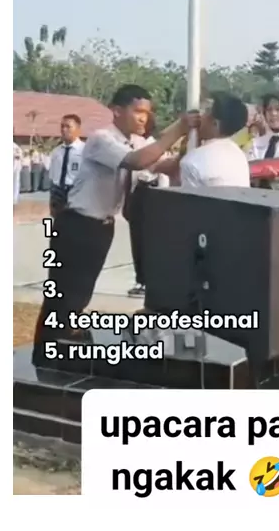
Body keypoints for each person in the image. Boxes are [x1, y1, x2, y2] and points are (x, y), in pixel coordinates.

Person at [33, 84, 199, 356]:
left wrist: (186, 147)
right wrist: (178, 129)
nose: (144, 118)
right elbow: (136, 161)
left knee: (80, 295)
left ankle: (64, 348)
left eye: (147, 112)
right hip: (78, 224)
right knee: (64, 296)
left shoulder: (137, 142)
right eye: (138, 111)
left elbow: (163, 164)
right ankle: (46, 353)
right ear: (117, 110)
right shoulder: (101, 139)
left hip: (102, 227)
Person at [125, 111, 170, 299]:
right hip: (136, 192)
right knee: (136, 240)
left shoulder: (153, 146)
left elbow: (164, 175)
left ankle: (148, 281)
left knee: (148, 241)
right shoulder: (131, 143)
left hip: (150, 192)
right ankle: (140, 279)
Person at [179, 92, 250, 187]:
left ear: (215, 124)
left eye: (206, 111)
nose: (200, 116)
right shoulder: (240, 156)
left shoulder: (191, 162)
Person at [48, 114, 85, 218]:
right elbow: (53, 176)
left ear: (78, 129)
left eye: (68, 127)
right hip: (58, 194)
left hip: (76, 193)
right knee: (58, 224)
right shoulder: (56, 152)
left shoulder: (85, 151)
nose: (64, 130)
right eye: (62, 126)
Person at [13, 141, 22, 205]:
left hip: (15, 167)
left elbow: (18, 157)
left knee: (15, 183)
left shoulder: (15, 147)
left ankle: (14, 198)